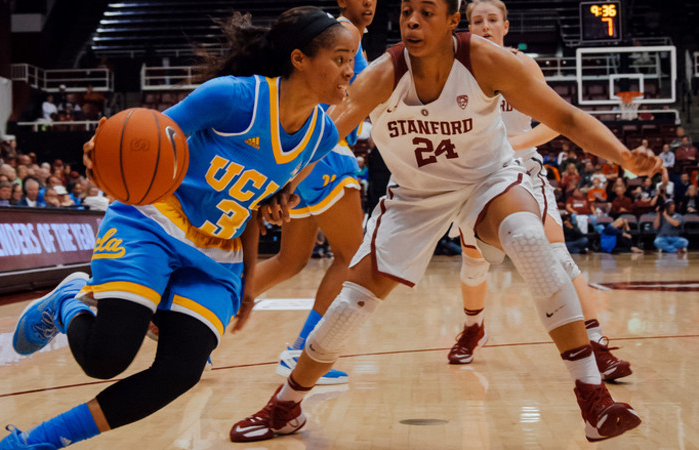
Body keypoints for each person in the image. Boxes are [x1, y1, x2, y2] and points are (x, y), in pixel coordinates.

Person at [230, 0, 661, 443]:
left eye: (427, 12)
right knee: (353, 300)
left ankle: (593, 397)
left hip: (487, 180)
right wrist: (281, 185)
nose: (413, 21)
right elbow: (326, 134)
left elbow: (566, 117)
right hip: (416, 194)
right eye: (407, 12)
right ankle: (286, 406)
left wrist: (624, 157)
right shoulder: (383, 73)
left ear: (454, 20)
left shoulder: (485, 60)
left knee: (528, 236)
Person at [0, 7, 355, 449]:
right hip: (152, 224)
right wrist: (104, 146)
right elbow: (146, 138)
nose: (349, 70)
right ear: (300, 59)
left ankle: (37, 442)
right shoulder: (233, 98)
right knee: (106, 359)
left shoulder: (321, 135)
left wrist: (248, 282)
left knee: (180, 372)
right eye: (340, 58)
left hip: (217, 257)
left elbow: (256, 204)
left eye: (352, 59)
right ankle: (70, 298)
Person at [442, 0, 630, 382]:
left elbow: (554, 123)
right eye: (477, 21)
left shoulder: (523, 65)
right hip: (473, 175)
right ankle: (473, 328)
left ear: (506, 27)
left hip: (523, 169)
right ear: (466, 27)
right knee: (474, 262)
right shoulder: (453, 71)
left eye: (492, 20)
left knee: (556, 250)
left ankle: (594, 342)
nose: (485, 26)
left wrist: (511, 144)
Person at [248, 0, 375, 386]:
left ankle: (198, 322)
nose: (368, 1)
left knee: (290, 260)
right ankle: (303, 351)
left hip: (304, 153)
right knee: (352, 255)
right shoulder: (344, 35)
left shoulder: (343, 36)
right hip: (324, 150)